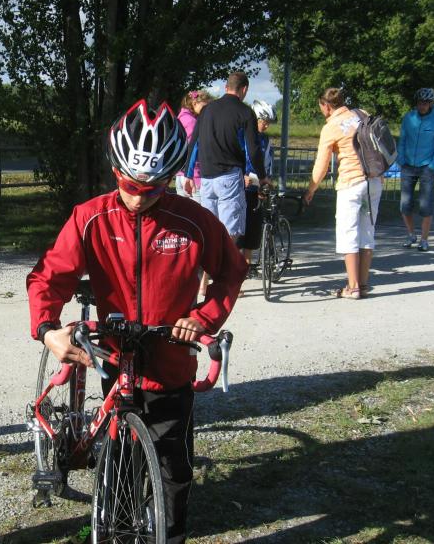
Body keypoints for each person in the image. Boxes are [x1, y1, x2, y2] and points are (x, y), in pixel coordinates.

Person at [27, 100, 247, 544]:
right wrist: (48, 329)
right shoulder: (90, 217)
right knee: (118, 466)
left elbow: (231, 270)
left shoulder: (193, 221)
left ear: (170, 179)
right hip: (115, 357)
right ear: (115, 171)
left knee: (173, 470)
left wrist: (203, 316)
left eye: (153, 188)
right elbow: (49, 277)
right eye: (130, 185)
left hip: (171, 363)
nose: (139, 197)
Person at [303, 87, 380, 299]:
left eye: (321, 107)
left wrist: (311, 189)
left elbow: (322, 165)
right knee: (367, 231)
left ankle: (352, 287)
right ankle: (363, 284)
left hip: (351, 183)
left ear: (326, 106)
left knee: (349, 232)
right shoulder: (362, 114)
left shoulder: (331, 127)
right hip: (374, 180)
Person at [189, 71, 271, 244]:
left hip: (206, 178)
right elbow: (253, 150)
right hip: (229, 177)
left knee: (209, 231)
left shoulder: (207, 110)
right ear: (244, 89)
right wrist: (262, 176)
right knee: (230, 233)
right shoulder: (245, 112)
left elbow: (194, 143)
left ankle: (211, 262)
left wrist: (188, 175)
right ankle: (223, 261)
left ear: (226, 87)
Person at [397, 87, 434, 252]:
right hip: (408, 166)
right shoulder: (409, 118)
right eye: (420, 102)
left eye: (426, 103)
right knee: (405, 204)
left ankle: (424, 240)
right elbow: (402, 139)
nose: (422, 105)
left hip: (427, 167)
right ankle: (411, 234)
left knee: (425, 205)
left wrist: (433, 165)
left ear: (431, 103)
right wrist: (401, 159)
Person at [239, 101, 276, 279]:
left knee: (253, 228)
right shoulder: (241, 134)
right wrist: (242, 175)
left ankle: (247, 266)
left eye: (268, 122)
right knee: (239, 228)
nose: (266, 125)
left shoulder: (265, 140)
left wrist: (266, 181)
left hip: (257, 185)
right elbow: (235, 157)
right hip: (241, 185)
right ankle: (236, 264)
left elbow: (268, 162)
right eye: (263, 121)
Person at [174, 89, 213, 199]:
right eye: (205, 106)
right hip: (193, 175)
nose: (207, 110)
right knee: (198, 209)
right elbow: (194, 148)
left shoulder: (181, 118)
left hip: (180, 174)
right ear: (195, 103)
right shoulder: (192, 122)